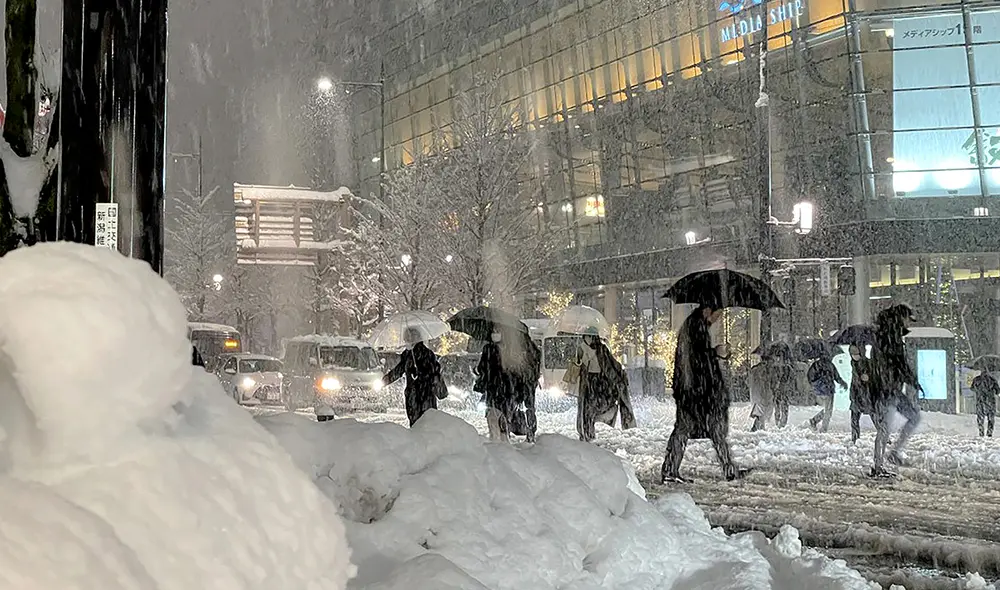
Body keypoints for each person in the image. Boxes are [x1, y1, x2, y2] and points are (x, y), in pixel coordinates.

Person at [660, 304, 750, 483]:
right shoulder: (696, 327)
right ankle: (727, 469)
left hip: (693, 391)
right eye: (717, 314)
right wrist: (714, 352)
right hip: (696, 392)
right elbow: (696, 359)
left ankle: (727, 468)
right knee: (696, 429)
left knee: (695, 429)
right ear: (707, 310)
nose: (718, 319)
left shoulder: (695, 326)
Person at [870, 303, 922, 477]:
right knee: (884, 428)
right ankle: (877, 466)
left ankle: (893, 453)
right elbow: (897, 364)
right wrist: (911, 379)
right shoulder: (889, 337)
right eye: (908, 319)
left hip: (892, 388)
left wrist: (909, 379)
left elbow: (898, 364)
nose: (909, 324)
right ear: (901, 318)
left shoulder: (891, 336)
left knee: (914, 417)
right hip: (886, 389)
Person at [575, 329, 635, 442]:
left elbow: (609, 364)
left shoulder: (602, 349)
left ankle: (589, 431)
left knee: (595, 407)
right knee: (587, 410)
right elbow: (578, 364)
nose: (587, 339)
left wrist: (618, 377)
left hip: (599, 382)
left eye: (589, 337)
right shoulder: (582, 349)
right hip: (589, 382)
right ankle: (587, 433)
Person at [383, 328, 448, 427]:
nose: (405, 342)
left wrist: (419, 374)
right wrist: (387, 379)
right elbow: (400, 369)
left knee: (424, 424)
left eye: (407, 340)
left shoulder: (427, 354)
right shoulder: (408, 354)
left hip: (424, 395)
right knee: (418, 424)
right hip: (415, 396)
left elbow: (433, 372)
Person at [475, 330, 515, 443]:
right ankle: (504, 438)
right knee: (503, 414)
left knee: (492, 416)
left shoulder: (488, 349)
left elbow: (481, 367)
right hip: (506, 388)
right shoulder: (508, 348)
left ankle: (495, 440)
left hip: (492, 388)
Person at [807, 346, 848, 432]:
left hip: (820, 390)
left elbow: (810, 377)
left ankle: (815, 420)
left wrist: (814, 385)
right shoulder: (830, 365)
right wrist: (843, 383)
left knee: (827, 409)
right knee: (828, 410)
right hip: (828, 390)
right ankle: (823, 428)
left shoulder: (816, 365)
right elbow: (837, 377)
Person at [765, 343, 796, 428]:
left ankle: (779, 422)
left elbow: (771, 379)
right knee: (781, 406)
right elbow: (792, 379)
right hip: (781, 389)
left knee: (779, 406)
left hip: (779, 389)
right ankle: (781, 422)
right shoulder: (787, 368)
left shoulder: (776, 368)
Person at [848, 344, 873, 443]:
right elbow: (854, 380)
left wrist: (867, 377)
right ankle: (855, 437)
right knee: (854, 418)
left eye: (856, 354)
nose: (855, 356)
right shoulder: (853, 363)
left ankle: (884, 435)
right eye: (853, 354)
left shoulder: (866, 362)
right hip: (856, 394)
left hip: (866, 394)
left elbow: (872, 375)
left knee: (874, 417)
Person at [971, 372, 998, 437]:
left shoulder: (976, 379)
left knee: (980, 417)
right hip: (990, 401)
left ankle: (981, 432)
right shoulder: (992, 380)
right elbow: (997, 391)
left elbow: (972, 388)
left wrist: (979, 391)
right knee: (991, 418)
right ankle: (989, 433)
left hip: (980, 401)